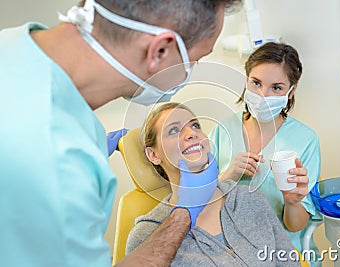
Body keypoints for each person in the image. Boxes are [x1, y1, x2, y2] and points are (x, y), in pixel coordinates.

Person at [0, 0, 243, 266]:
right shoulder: (58, 160)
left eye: (195, 125)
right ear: (160, 50)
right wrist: (184, 213)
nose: (191, 134)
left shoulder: (13, 43)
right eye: (196, 60)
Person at [125, 102, 300, 266]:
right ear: (153, 155)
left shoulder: (248, 198)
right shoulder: (146, 234)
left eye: (195, 126)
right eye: (173, 130)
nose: (192, 133)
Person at [208, 42, 321, 260]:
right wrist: (228, 176)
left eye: (276, 87)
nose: (263, 95)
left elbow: (296, 226)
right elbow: (201, 203)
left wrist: (292, 201)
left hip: (281, 253)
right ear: (246, 79)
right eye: (256, 83)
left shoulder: (305, 140)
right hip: (230, 251)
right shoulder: (223, 131)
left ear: (291, 91)